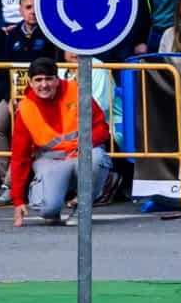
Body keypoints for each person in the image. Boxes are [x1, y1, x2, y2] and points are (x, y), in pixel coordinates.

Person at [6, 58, 111, 227]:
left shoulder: (76, 90)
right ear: (31, 83)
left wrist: (85, 144)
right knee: (48, 211)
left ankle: (83, 206)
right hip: (50, 161)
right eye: (38, 80)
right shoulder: (25, 109)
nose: (44, 85)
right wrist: (17, 200)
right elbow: (20, 156)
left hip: (81, 155)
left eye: (49, 79)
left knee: (97, 158)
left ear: (57, 79)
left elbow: (101, 127)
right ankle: (53, 197)